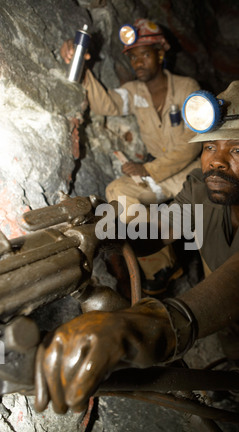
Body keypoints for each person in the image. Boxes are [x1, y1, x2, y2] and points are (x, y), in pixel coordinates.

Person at [34, 80, 239, 415]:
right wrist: (102, 231)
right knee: (238, 345)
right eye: (209, 148)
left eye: (237, 150)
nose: (216, 161)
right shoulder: (204, 189)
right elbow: (161, 228)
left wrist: (151, 324)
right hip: (227, 300)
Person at [60, 18, 202, 295]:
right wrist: (83, 65)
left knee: (209, 219)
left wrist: (148, 170)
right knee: (118, 191)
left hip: (190, 175)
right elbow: (107, 104)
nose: (138, 62)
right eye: (133, 57)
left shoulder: (187, 87)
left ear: (161, 53)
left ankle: (178, 229)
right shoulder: (135, 93)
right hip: (159, 177)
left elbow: (192, 144)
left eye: (145, 54)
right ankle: (160, 264)